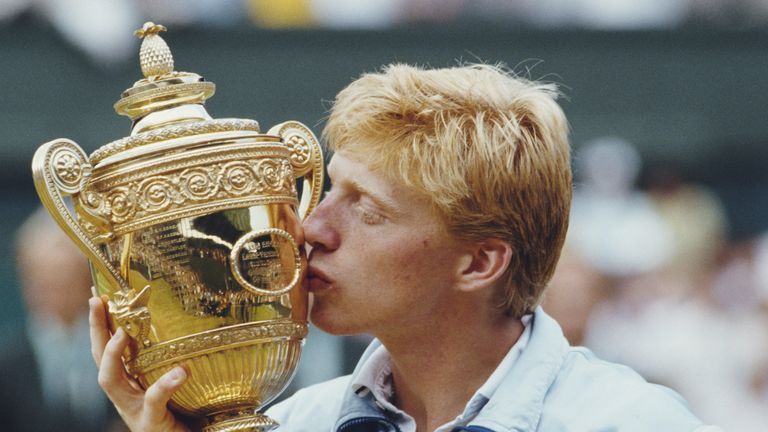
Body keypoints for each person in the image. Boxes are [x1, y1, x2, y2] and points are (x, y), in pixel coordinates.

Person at [90, 63, 720, 431]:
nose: (312, 229)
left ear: (479, 262)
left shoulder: (630, 423)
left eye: (368, 210)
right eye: (331, 190)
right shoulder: (294, 425)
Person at [0, 207, 120, 432]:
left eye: (63, 281)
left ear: (86, 281)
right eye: (41, 283)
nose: (51, 295)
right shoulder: (6, 366)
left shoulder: (120, 353)